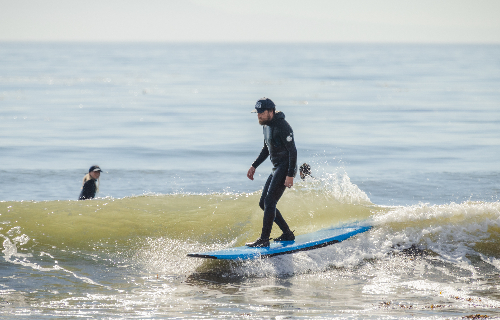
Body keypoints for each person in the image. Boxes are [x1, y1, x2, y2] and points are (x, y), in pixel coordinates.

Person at [246, 97, 297, 247]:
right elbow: (266, 149)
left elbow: (292, 151)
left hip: (286, 166)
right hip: (276, 168)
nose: (259, 115)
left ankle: (264, 240)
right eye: (257, 112)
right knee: (264, 203)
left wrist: (290, 175)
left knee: (270, 201)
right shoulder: (266, 125)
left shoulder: (283, 126)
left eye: (262, 112)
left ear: (271, 111)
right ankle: (287, 234)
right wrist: (254, 165)